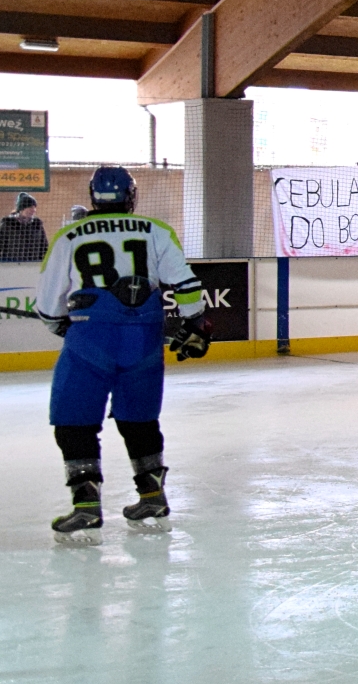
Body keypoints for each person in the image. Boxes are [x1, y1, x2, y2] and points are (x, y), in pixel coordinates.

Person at [37, 166, 210, 545]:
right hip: (143, 340)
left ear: (93, 196)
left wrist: (63, 327)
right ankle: (152, 497)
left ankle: (85, 506)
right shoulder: (155, 230)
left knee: (74, 420)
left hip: (89, 339)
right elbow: (184, 282)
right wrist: (194, 324)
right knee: (139, 419)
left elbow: (48, 305)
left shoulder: (69, 234)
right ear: (131, 196)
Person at [1, 193, 48, 264]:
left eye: (34, 207)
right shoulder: (8, 224)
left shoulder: (37, 225)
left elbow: (44, 246)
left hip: (33, 264)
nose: (33, 210)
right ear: (22, 208)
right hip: (11, 265)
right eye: (30, 207)